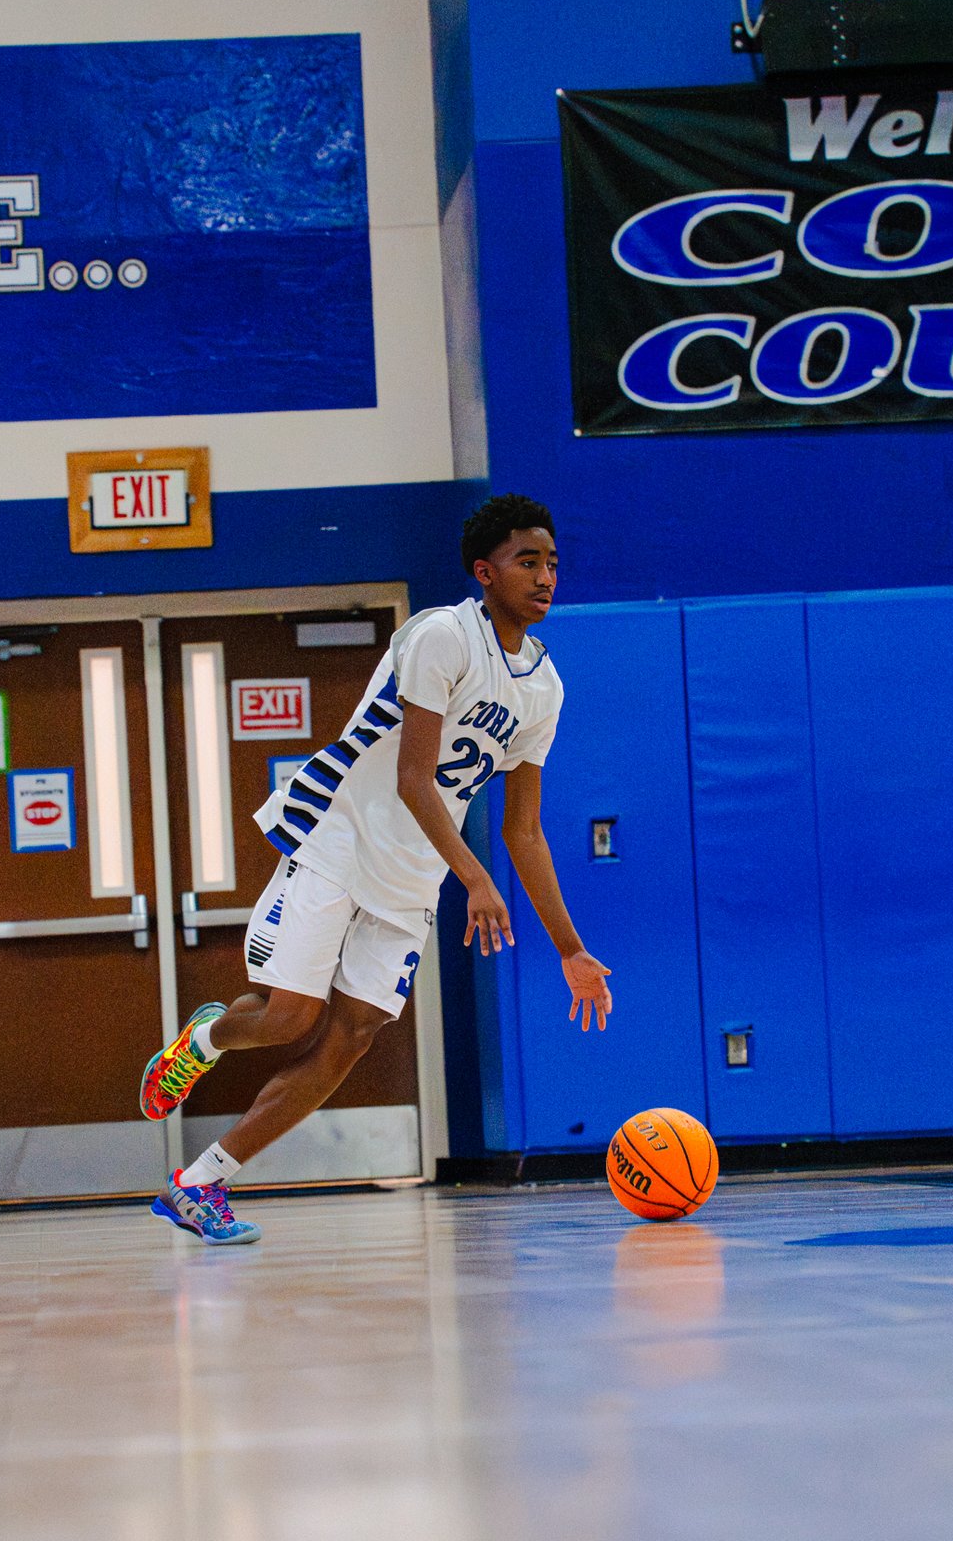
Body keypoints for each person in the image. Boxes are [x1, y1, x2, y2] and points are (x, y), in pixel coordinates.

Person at [139, 492, 612, 1244]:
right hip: (340, 838)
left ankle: (199, 1185)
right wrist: (476, 879)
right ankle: (203, 1042)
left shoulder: (544, 689)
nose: (546, 576)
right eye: (527, 561)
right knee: (290, 1017)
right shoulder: (442, 635)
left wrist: (570, 948)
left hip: (412, 876)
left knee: (351, 1037)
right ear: (485, 571)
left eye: (552, 562)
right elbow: (412, 777)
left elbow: (524, 829)